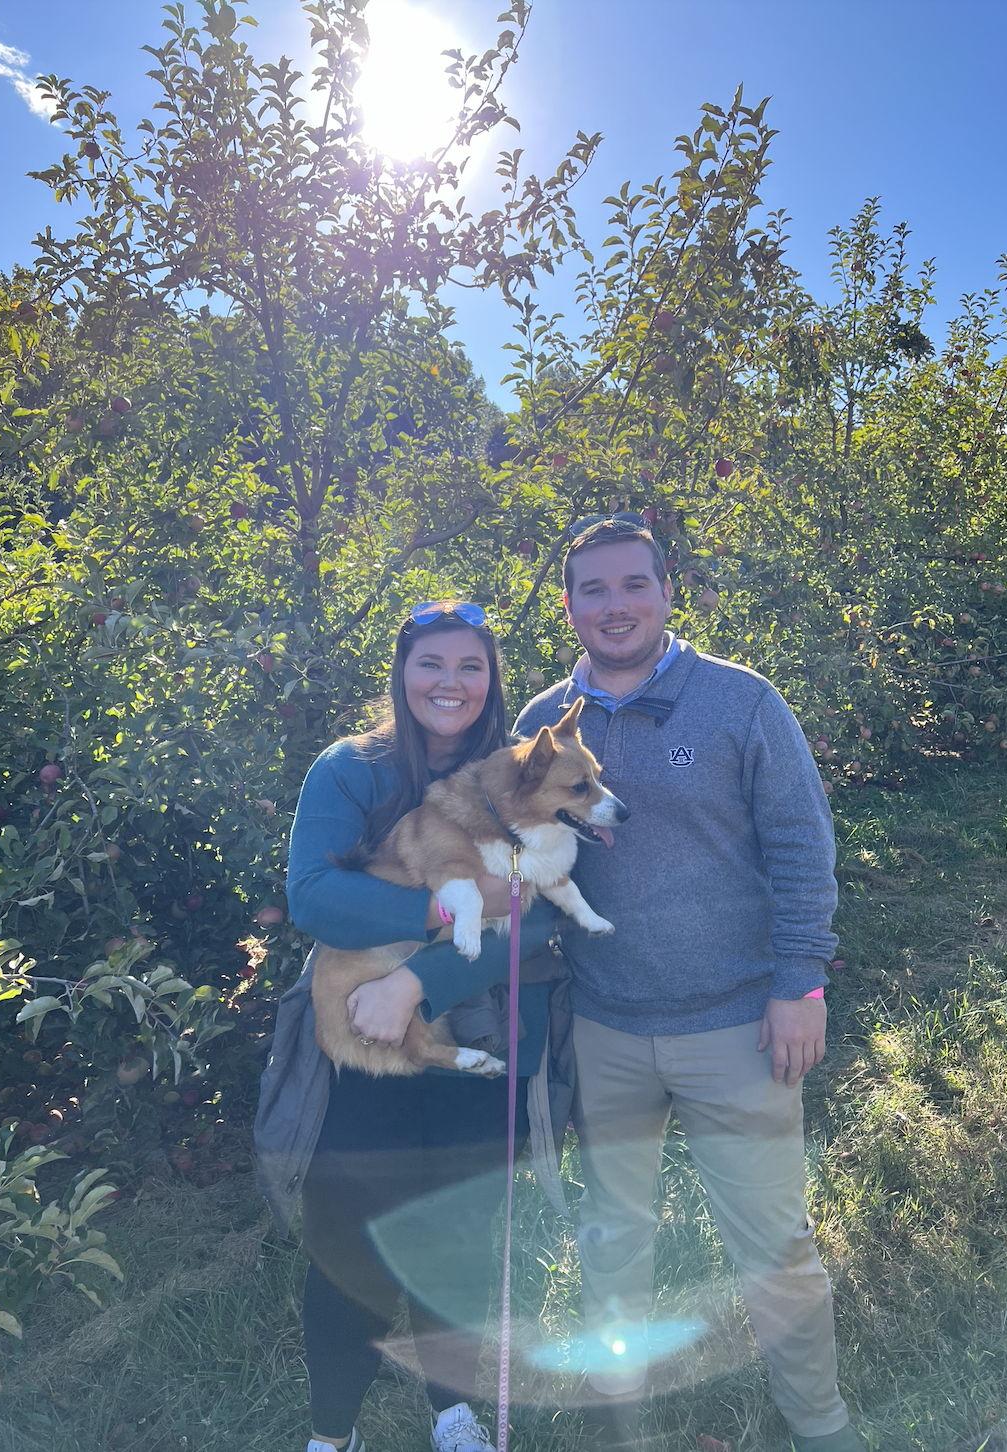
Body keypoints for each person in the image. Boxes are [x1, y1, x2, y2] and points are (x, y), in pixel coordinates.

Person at [514, 518, 867, 1452]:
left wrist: (802, 983)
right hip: (606, 1025)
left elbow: (800, 844)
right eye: (594, 589)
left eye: (634, 584)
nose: (615, 605)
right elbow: (508, 851)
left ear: (669, 591)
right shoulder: (539, 725)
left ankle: (820, 1426)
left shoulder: (740, 702)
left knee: (775, 1246)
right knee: (614, 1239)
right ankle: (622, 1428)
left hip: (740, 1021)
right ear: (570, 606)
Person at [253, 601, 573, 1452]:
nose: (452, 684)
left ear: (492, 681)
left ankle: (453, 1410)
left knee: (462, 1233)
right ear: (401, 673)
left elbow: (536, 920)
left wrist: (419, 979)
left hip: (489, 1033)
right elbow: (316, 896)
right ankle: (334, 1431)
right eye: (433, 664)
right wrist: (444, 907)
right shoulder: (350, 769)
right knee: (349, 1240)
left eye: (472, 667)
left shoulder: (520, 772)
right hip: (363, 1036)